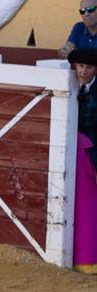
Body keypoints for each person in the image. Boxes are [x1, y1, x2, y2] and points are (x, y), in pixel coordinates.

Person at [71, 48, 97, 273]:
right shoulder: (70, 84)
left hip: (90, 153)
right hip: (79, 151)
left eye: (88, 67)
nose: (83, 71)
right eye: (80, 66)